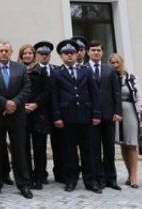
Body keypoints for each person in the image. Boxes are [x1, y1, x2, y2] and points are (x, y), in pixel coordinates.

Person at [0, 41, 33, 199]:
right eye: (1, 50)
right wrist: (4, 103)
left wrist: (14, 103)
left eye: (6, 50)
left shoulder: (21, 68)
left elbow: (27, 88)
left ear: (11, 52)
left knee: (19, 151)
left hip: (17, 115)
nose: (4, 53)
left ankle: (23, 184)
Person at [49, 39, 101, 193]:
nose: (69, 56)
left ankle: (90, 181)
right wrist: (57, 116)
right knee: (69, 152)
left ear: (77, 54)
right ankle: (70, 180)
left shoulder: (86, 71)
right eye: (66, 53)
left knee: (88, 151)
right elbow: (54, 96)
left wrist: (96, 113)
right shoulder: (56, 73)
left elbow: (94, 93)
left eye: (72, 53)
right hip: (67, 118)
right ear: (61, 56)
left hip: (85, 117)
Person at [87, 40, 123, 191]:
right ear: (88, 52)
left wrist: (118, 111)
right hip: (91, 117)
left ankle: (111, 179)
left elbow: (116, 92)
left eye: (99, 50)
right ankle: (98, 178)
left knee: (109, 149)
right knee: (94, 149)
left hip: (109, 115)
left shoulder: (109, 70)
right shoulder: (83, 69)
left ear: (102, 52)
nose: (96, 52)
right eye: (93, 50)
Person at [110, 53, 142, 189]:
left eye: (117, 62)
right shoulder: (110, 78)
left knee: (132, 144)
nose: (115, 65)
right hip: (116, 113)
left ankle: (134, 176)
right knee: (123, 144)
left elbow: (139, 97)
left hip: (131, 112)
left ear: (122, 63)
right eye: (112, 63)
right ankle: (128, 174)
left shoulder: (131, 78)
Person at [19, 43, 50, 190]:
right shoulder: (17, 70)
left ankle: (39, 177)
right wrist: (22, 105)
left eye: (30, 53)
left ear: (34, 55)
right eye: (24, 53)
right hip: (22, 113)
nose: (27, 56)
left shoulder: (41, 71)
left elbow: (46, 91)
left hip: (38, 114)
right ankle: (27, 177)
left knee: (39, 148)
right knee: (24, 147)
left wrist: (35, 104)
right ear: (21, 55)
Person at [34, 40, 58, 184]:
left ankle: (60, 172)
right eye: (41, 54)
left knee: (59, 145)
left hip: (55, 113)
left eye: (46, 54)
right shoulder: (33, 70)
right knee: (40, 147)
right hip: (39, 113)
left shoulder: (56, 69)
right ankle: (40, 174)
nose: (44, 56)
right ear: (37, 55)